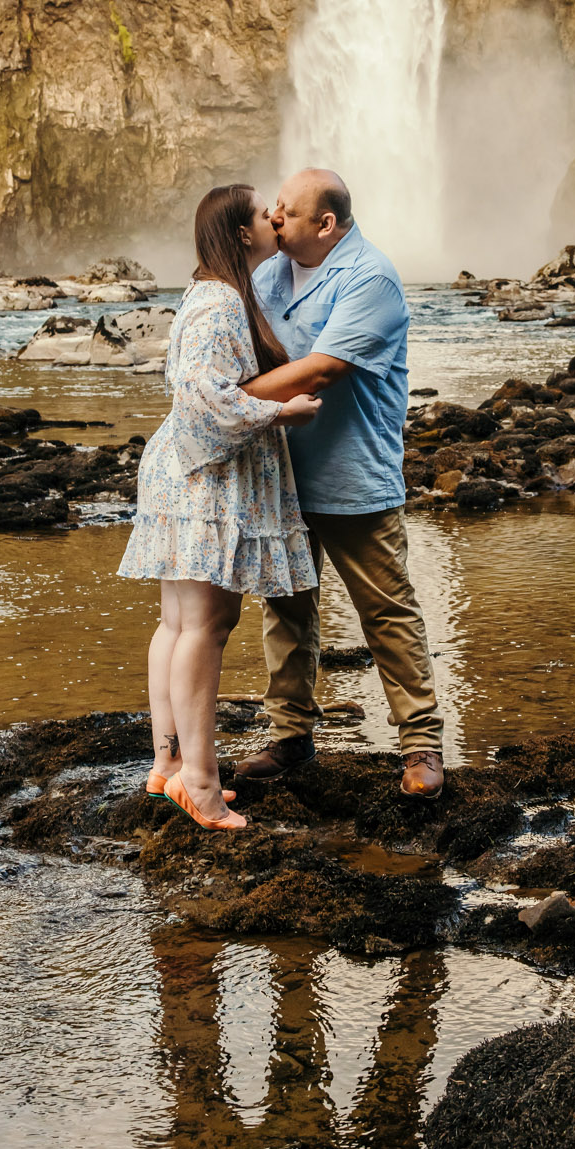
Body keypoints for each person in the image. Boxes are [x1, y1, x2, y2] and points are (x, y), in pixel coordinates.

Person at [118, 184, 321, 831]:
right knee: (206, 626)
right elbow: (203, 397)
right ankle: (200, 784)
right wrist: (278, 409)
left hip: (181, 472)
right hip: (201, 479)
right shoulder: (222, 303)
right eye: (267, 214)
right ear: (240, 233)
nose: (277, 220)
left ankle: (168, 768)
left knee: (179, 624)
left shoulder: (207, 293)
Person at [238, 168, 445, 798]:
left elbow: (322, 370)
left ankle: (421, 745)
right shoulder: (269, 274)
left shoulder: (370, 277)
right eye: (272, 208)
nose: (273, 218)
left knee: (386, 610)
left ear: (325, 224)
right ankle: (291, 737)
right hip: (282, 475)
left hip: (353, 473)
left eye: (286, 211)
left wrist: (226, 399)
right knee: (286, 609)